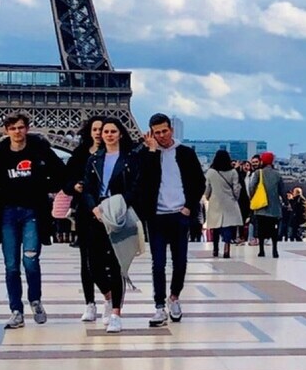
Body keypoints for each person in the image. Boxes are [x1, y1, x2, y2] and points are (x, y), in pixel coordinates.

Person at [0, 112, 64, 328]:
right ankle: (16, 310)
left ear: (27, 128)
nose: (17, 132)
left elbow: (61, 173)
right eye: (13, 128)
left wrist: (43, 185)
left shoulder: (40, 152)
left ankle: (35, 300)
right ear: (6, 131)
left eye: (21, 127)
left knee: (30, 260)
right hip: (7, 214)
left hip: (32, 212)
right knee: (11, 265)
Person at [129, 113, 205, 327]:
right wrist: (152, 152)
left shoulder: (186, 153)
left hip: (180, 215)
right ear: (151, 133)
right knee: (158, 263)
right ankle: (159, 306)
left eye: (164, 131)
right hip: (157, 216)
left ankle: (174, 297)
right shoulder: (145, 154)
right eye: (157, 132)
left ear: (171, 129)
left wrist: (188, 207)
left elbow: (199, 182)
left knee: (180, 262)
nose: (161, 136)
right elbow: (143, 181)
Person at [80, 117, 134, 332]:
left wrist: (121, 204)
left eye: (113, 131)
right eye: (106, 131)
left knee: (115, 264)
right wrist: (93, 207)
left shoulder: (129, 159)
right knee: (93, 265)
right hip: (98, 213)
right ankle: (109, 297)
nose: (109, 135)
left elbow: (136, 185)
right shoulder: (94, 159)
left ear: (120, 134)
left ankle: (116, 314)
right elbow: (87, 187)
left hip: (118, 211)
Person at [63, 116, 106, 322]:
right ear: (89, 131)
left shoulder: (114, 154)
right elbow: (66, 182)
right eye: (95, 129)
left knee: (107, 260)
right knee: (86, 260)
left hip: (108, 212)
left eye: (102, 129)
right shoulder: (80, 154)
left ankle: (110, 300)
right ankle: (90, 302)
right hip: (86, 213)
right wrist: (74, 186)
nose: (98, 133)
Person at [205, 148, 242, 259]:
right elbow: (236, 188)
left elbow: (207, 188)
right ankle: (227, 248)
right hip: (229, 202)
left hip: (215, 202)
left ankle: (215, 249)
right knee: (227, 226)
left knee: (215, 227)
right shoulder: (233, 172)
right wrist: (236, 197)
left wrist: (208, 197)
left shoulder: (210, 172)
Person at [247, 152, 286, 258]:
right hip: (274, 208)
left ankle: (261, 250)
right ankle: (274, 250)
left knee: (261, 229)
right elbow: (282, 191)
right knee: (274, 229)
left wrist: (253, 198)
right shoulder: (277, 174)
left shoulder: (258, 173)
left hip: (261, 206)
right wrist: (286, 202)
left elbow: (251, 187)